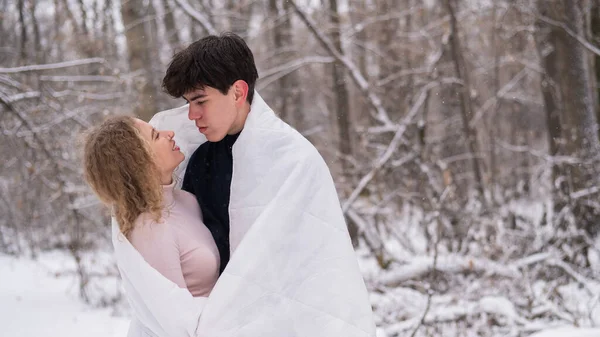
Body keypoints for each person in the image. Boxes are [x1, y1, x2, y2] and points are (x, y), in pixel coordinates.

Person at [83, 116, 218, 337]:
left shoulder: (186, 201)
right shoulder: (151, 228)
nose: (170, 134)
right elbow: (176, 323)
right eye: (156, 136)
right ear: (138, 162)